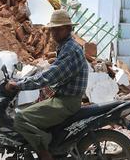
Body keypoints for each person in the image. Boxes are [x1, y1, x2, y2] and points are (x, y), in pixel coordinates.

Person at [5, 9, 88, 160]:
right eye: (52, 29)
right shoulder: (66, 46)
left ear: (68, 28)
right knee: (28, 109)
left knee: (20, 118)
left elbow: (50, 76)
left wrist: (20, 85)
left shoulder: (70, 50)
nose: (54, 33)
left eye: (58, 29)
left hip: (66, 102)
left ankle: (45, 153)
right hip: (63, 98)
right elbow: (52, 72)